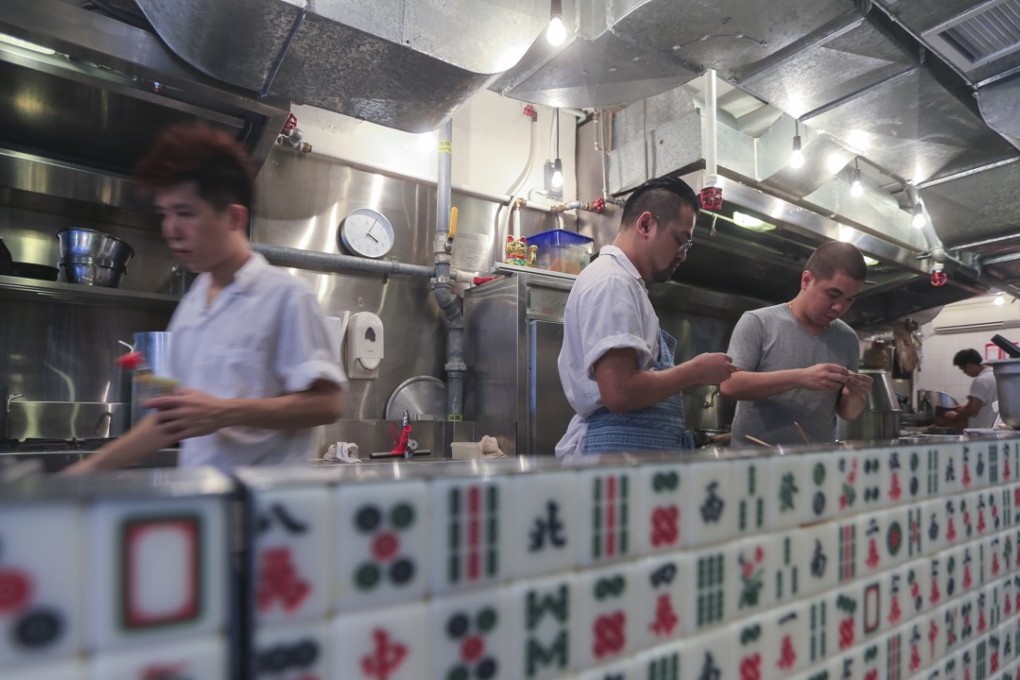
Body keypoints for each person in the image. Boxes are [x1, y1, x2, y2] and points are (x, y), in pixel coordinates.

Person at [66, 124, 345, 473]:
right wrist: (79, 474)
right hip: (206, 510)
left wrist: (223, 411)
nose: (170, 229)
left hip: (266, 515)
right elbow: (174, 420)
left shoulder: (286, 297)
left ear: (233, 217)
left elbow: (328, 404)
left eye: (185, 213)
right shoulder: (193, 306)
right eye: (165, 214)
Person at [555, 176, 737, 457]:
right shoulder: (612, 282)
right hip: (614, 460)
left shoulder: (626, 283)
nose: (683, 255)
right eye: (681, 240)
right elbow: (620, 392)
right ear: (645, 224)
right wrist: (697, 371)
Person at [720, 241, 873, 446]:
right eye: (833, 294)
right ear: (807, 280)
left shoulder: (847, 338)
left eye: (849, 300)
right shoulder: (759, 322)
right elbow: (730, 385)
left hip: (815, 465)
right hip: (756, 463)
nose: (839, 307)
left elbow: (848, 412)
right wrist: (801, 377)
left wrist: (854, 395)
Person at [944, 348, 998, 428]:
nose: (965, 373)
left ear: (970, 365)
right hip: (994, 428)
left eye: (963, 369)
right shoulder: (996, 374)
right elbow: (987, 401)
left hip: (981, 430)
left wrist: (955, 416)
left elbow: (972, 409)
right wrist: (966, 406)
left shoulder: (980, 380)